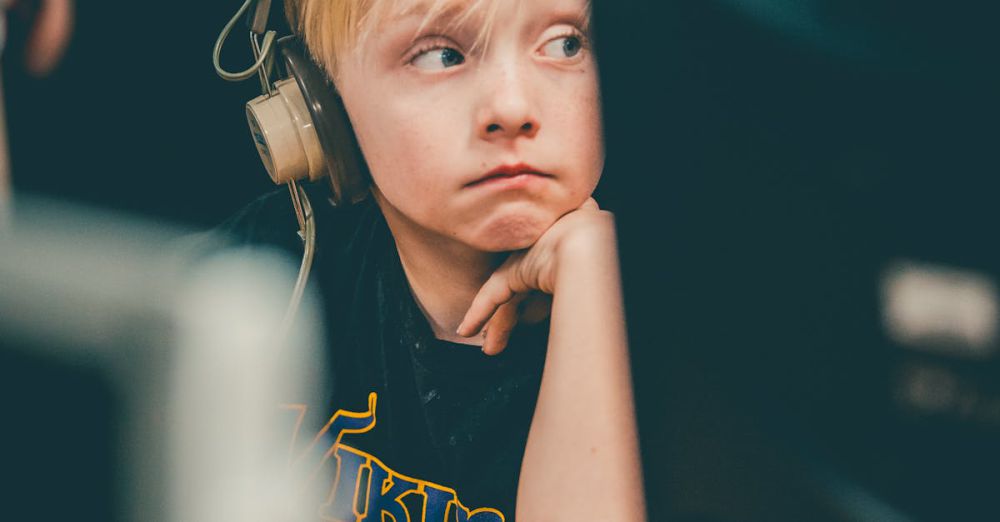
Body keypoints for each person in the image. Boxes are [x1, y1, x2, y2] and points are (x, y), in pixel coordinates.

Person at [216, 0, 645, 519]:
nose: (512, 109)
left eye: (565, 44)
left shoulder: (694, 342)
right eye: (441, 55)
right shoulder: (261, 273)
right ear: (317, 102)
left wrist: (590, 275)